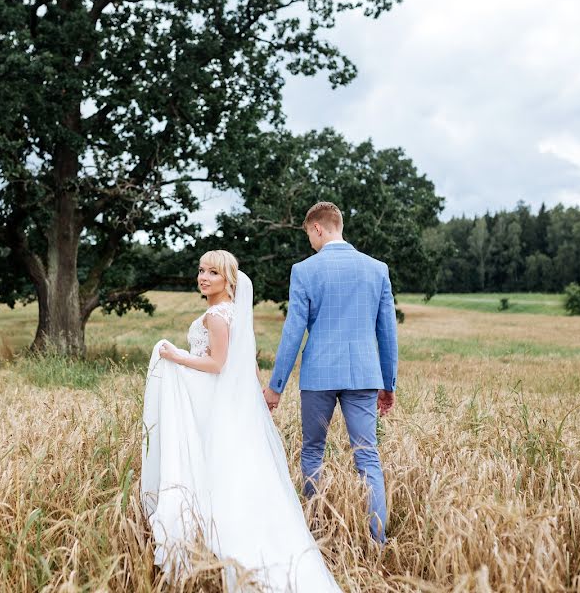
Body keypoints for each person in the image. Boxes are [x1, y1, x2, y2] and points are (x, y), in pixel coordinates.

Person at [141, 250, 340, 592]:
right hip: (224, 400)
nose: (203, 278)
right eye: (201, 270)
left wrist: (176, 356)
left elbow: (217, 364)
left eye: (212, 273)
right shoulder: (230, 312)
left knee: (216, 470)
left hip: (214, 397)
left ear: (227, 279)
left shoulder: (218, 316)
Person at [262, 201, 398, 544]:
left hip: (318, 376)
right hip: (364, 375)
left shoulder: (304, 271)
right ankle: (376, 542)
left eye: (309, 234)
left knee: (312, 452)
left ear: (318, 228)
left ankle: (317, 532)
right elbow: (387, 332)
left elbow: (293, 332)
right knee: (367, 456)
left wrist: (276, 386)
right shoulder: (377, 268)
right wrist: (388, 382)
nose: (310, 242)